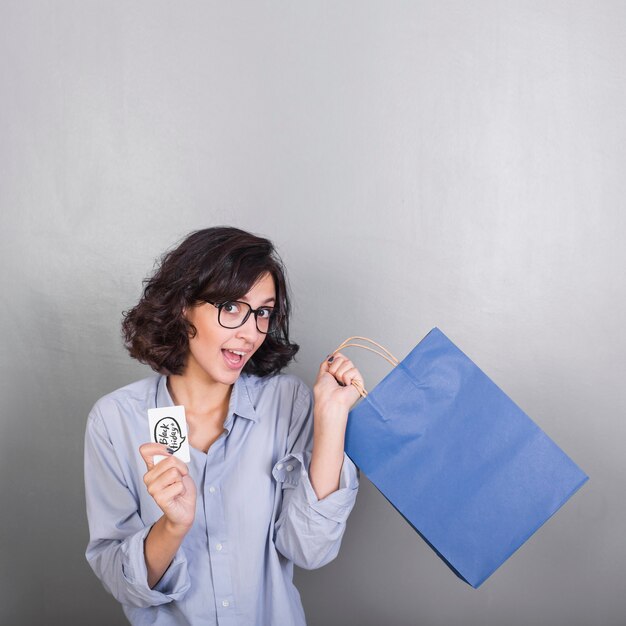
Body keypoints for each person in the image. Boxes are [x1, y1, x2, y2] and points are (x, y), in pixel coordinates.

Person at [84, 226, 363, 625]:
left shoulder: (288, 403)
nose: (250, 334)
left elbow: (310, 550)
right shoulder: (115, 420)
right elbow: (122, 581)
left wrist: (332, 420)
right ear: (183, 305)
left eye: (263, 312)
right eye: (231, 307)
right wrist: (173, 526)